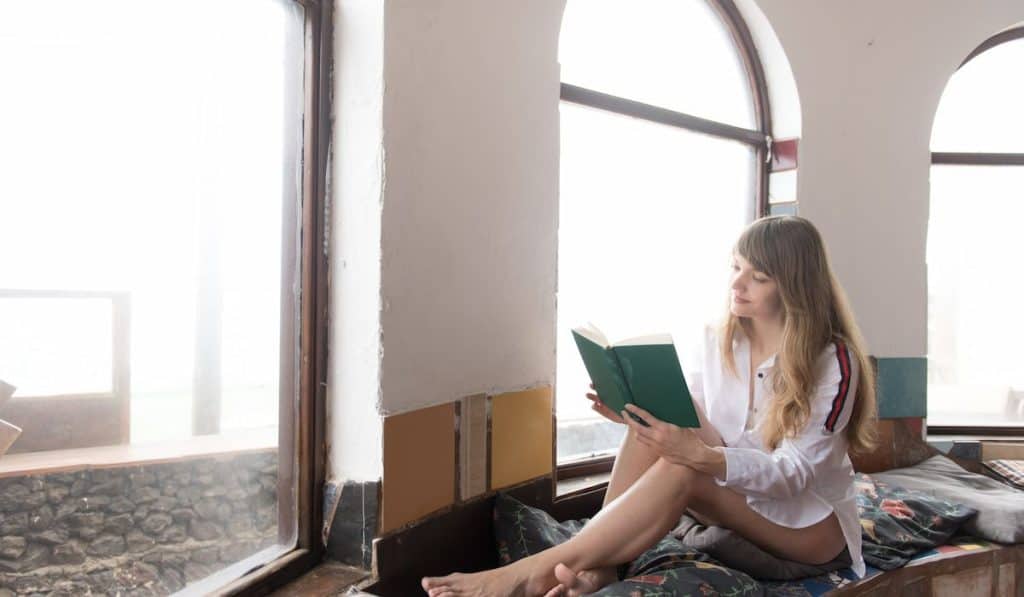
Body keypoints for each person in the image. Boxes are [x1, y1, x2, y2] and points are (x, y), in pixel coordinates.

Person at [422, 215, 878, 597]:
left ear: (795, 285)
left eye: (757, 276)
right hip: (737, 500)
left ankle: (526, 573)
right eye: (735, 267)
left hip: (807, 528)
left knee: (682, 467)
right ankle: (602, 567)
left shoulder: (831, 362)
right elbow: (700, 423)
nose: (737, 284)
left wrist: (701, 457)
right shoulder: (718, 337)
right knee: (652, 432)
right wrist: (635, 413)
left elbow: (791, 475)